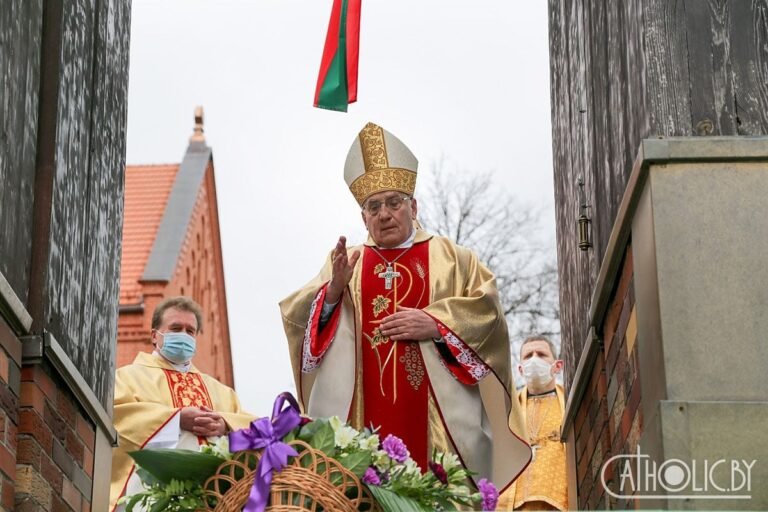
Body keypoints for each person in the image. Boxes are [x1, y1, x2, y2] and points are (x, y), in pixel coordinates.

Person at [279, 122, 530, 491]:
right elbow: (303, 331)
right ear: (363, 217)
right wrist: (333, 292)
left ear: (413, 206)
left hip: (438, 427)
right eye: (373, 206)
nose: (384, 214)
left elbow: (488, 315)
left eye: (394, 202)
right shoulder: (346, 262)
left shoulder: (453, 258)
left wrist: (437, 324)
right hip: (361, 425)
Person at [110, 296, 254, 511]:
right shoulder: (127, 378)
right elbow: (116, 419)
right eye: (175, 328)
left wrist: (225, 425)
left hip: (212, 498)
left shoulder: (221, 391)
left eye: (190, 331)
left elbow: (255, 427)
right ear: (154, 336)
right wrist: (174, 420)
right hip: (152, 497)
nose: (183, 335)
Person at [498, 335, 568, 511]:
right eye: (528, 356)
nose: (534, 359)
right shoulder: (507, 410)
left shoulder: (570, 403)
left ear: (557, 366)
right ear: (521, 369)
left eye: (542, 354)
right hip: (515, 505)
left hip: (557, 503)